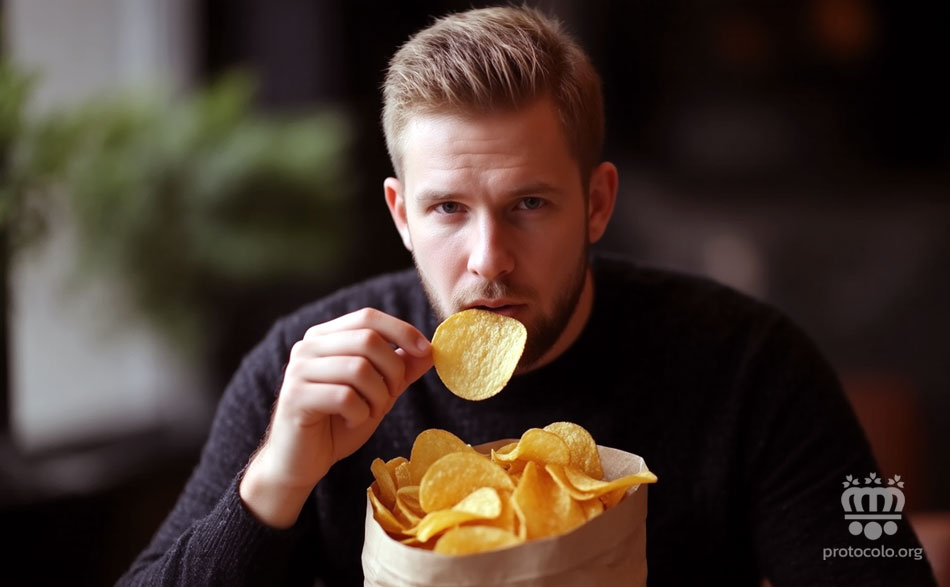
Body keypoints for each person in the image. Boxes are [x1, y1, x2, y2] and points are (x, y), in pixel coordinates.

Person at [119, 6, 937, 586]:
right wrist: (278, 480)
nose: (488, 260)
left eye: (529, 205)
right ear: (401, 215)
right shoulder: (304, 372)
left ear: (598, 204)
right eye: (447, 209)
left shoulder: (750, 365)